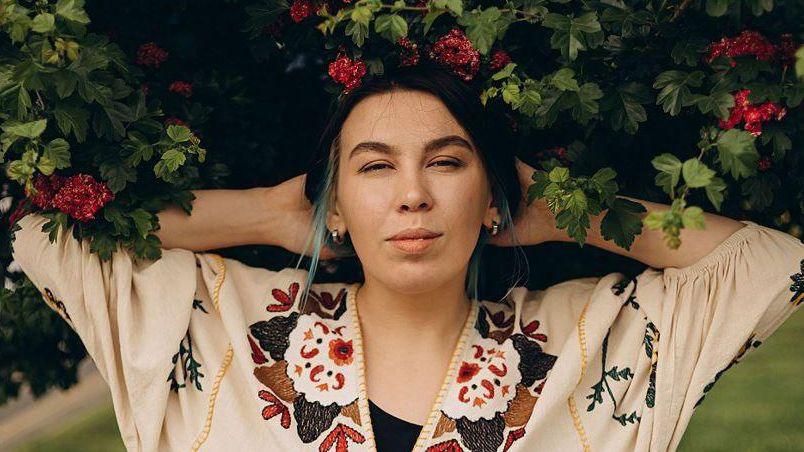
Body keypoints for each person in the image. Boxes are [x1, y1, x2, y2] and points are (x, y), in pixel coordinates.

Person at [10, 62, 804, 452]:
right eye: (375, 167)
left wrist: (570, 210)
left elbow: (774, 268)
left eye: (449, 163)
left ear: (492, 197)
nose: (413, 195)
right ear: (340, 206)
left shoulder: (582, 344)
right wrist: (274, 215)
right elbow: (39, 234)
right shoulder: (228, 326)